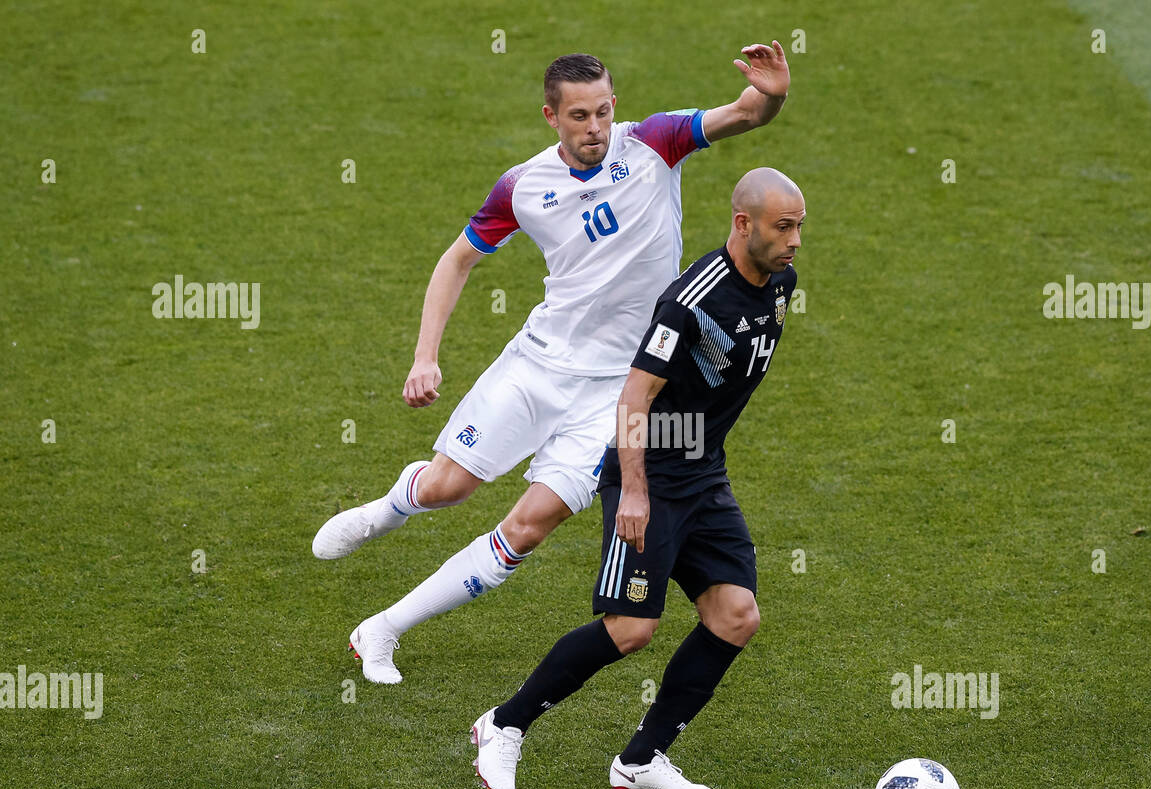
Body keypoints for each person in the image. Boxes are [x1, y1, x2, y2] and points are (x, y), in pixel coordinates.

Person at [312, 46, 792, 685]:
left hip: (618, 391)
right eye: (579, 116)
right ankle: (394, 505)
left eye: (602, 112)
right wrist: (425, 357)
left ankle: (382, 629)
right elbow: (457, 260)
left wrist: (773, 94)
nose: (595, 127)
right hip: (538, 366)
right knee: (447, 489)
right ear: (551, 116)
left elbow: (746, 113)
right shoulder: (523, 185)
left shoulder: (655, 142)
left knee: (529, 527)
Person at [471, 168, 805, 789]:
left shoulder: (780, 283)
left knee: (735, 616)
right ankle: (504, 724)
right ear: (743, 223)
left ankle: (642, 759)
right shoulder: (692, 302)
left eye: (798, 228)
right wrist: (635, 491)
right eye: (782, 227)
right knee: (630, 629)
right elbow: (634, 393)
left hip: (703, 473)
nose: (793, 242)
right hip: (648, 472)